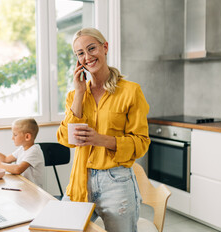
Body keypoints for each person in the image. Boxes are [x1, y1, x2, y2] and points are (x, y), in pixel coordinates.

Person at [57, 27, 151, 232]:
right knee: (63, 228)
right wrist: (80, 93)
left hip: (116, 181)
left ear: (105, 47)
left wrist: (102, 140)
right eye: (80, 53)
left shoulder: (131, 91)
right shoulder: (75, 95)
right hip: (80, 178)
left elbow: (141, 143)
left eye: (92, 49)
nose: (87, 57)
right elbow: (65, 139)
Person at [0, 118, 44, 188]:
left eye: (15, 135)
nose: (12, 138)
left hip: (34, 192)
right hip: (23, 187)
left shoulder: (34, 151)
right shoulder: (22, 149)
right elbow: (5, 159)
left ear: (27, 136)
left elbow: (18, 169)